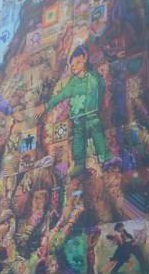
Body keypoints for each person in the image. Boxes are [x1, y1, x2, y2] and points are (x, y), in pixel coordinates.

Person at [36, 45, 113, 177]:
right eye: (72, 64)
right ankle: (79, 165)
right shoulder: (73, 82)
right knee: (78, 139)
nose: (74, 66)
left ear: (85, 59)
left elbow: (103, 88)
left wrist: (101, 102)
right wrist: (46, 106)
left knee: (97, 132)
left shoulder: (93, 76)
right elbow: (61, 96)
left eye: (78, 62)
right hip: (77, 117)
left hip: (91, 114)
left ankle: (106, 158)